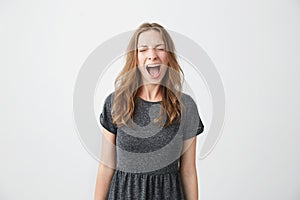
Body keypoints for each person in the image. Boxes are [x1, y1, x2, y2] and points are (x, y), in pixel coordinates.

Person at [94, 22, 204, 200]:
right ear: (135, 58)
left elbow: (188, 170)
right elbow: (106, 166)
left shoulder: (185, 106)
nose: (152, 55)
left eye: (159, 48)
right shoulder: (115, 102)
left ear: (168, 56)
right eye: (143, 49)